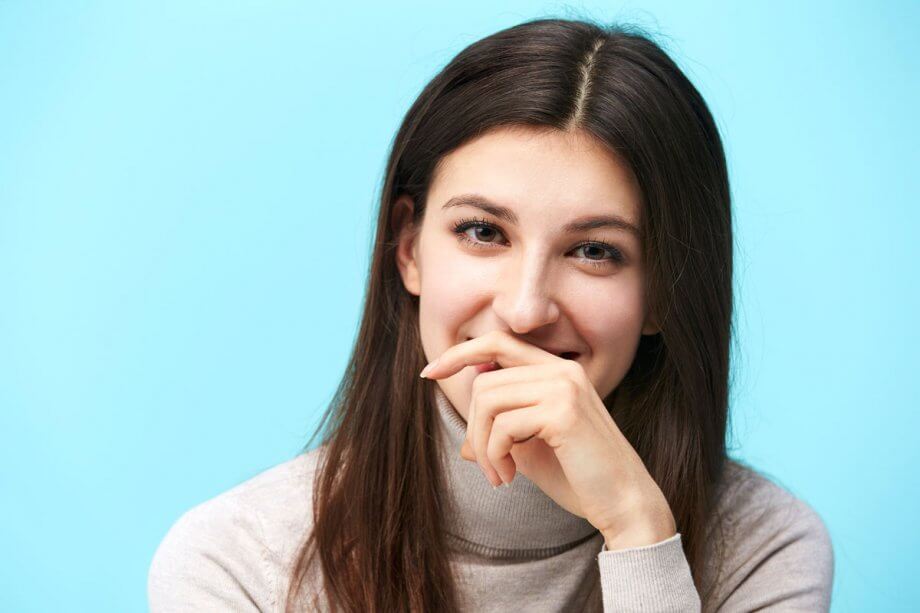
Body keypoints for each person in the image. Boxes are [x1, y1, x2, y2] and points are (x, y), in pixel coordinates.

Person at [148, 17, 834, 612]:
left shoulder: (763, 547)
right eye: (483, 232)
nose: (525, 308)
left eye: (595, 250)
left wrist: (638, 531)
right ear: (409, 249)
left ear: (663, 293)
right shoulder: (237, 564)